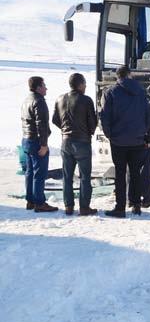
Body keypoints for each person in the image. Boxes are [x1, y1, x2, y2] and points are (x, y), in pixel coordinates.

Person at [100, 66, 150, 218]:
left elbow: (104, 117)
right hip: (137, 140)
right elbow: (148, 115)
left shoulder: (110, 92)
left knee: (120, 174)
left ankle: (120, 207)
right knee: (135, 173)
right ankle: (136, 205)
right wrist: (147, 135)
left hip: (118, 141)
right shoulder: (141, 92)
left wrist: (110, 135)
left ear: (117, 77)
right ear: (130, 75)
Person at [52, 73, 98, 216]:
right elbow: (93, 122)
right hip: (82, 143)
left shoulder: (60, 99)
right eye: (84, 84)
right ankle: (84, 207)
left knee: (67, 176)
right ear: (80, 85)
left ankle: (68, 206)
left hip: (66, 142)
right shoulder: (86, 100)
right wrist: (88, 131)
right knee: (85, 176)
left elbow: (55, 120)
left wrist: (66, 130)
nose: (85, 86)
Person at [21, 76, 58, 212]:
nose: (46, 88)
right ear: (38, 87)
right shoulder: (39, 101)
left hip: (26, 139)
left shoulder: (26, 100)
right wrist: (44, 144)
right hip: (36, 141)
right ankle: (40, 203)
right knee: (39, 173)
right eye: (44, 85)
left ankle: (30, 200)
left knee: (30, 172)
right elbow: (41, 124)